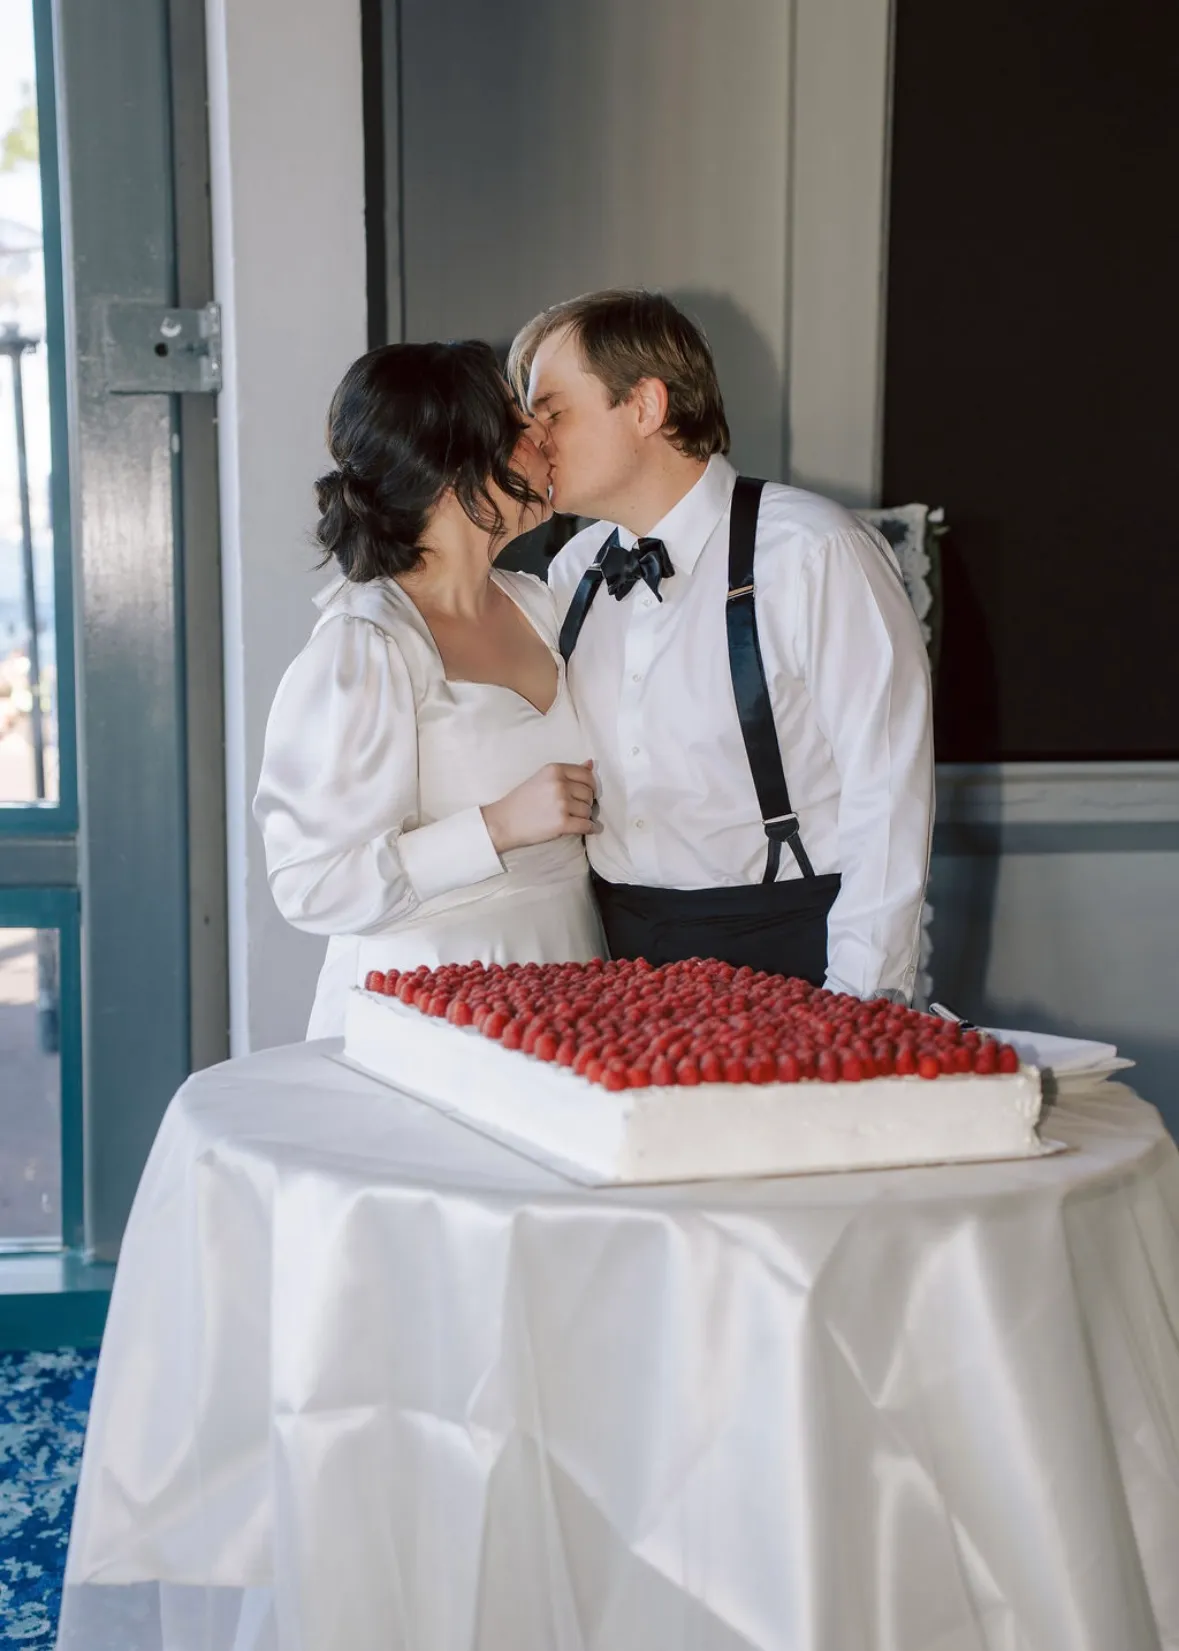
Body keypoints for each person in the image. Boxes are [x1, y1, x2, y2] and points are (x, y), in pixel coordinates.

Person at [508, 289, 934, 1001]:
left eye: (552, 412)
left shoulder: (814, 551)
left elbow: (887, 796)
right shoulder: (571, 570)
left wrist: (860, 1005)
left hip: (788, 950)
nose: (533, 439)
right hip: (607, 956)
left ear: (645, 406)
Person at [254, 341, 605, 1038]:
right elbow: (310, 883)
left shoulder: (545, 605)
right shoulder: (365, 646)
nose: (541, 439)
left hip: (572, 982)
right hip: (425, 1005)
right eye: (517, 423)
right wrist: (496, 826)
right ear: (454, 463)